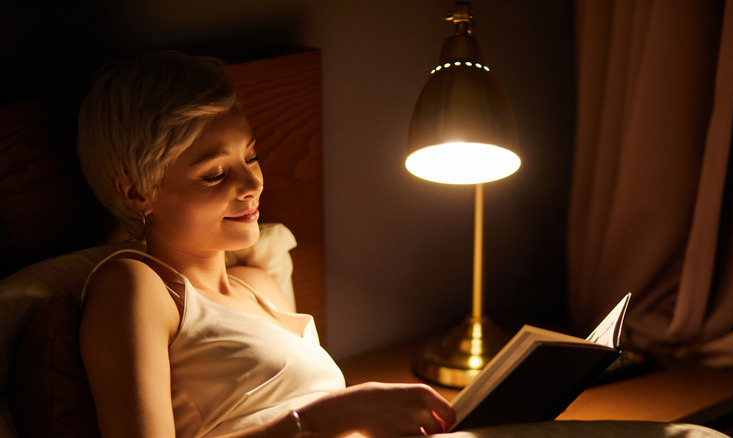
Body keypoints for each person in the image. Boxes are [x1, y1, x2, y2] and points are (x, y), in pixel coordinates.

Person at [76, 51, 455, 438]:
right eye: (215, 174)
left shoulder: (261, 286)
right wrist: (333, 416)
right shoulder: (136, 288)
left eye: (251, 156)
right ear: (138, 193)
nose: (253, 184)